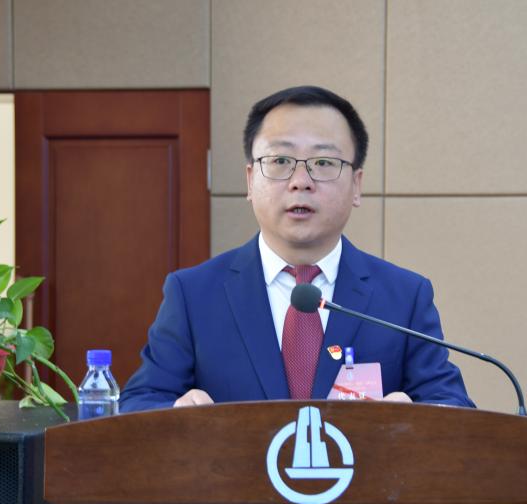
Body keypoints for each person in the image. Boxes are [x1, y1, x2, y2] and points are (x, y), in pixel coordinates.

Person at [120, 86, 474, 411]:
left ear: (356, 185)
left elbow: (453, 407)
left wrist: (416, 416)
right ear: (250, 180)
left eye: (324, 163)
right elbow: (140, 402)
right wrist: (176, 413)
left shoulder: (403, 297)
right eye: (280, 161)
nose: (300, 182)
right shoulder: (194, 294)